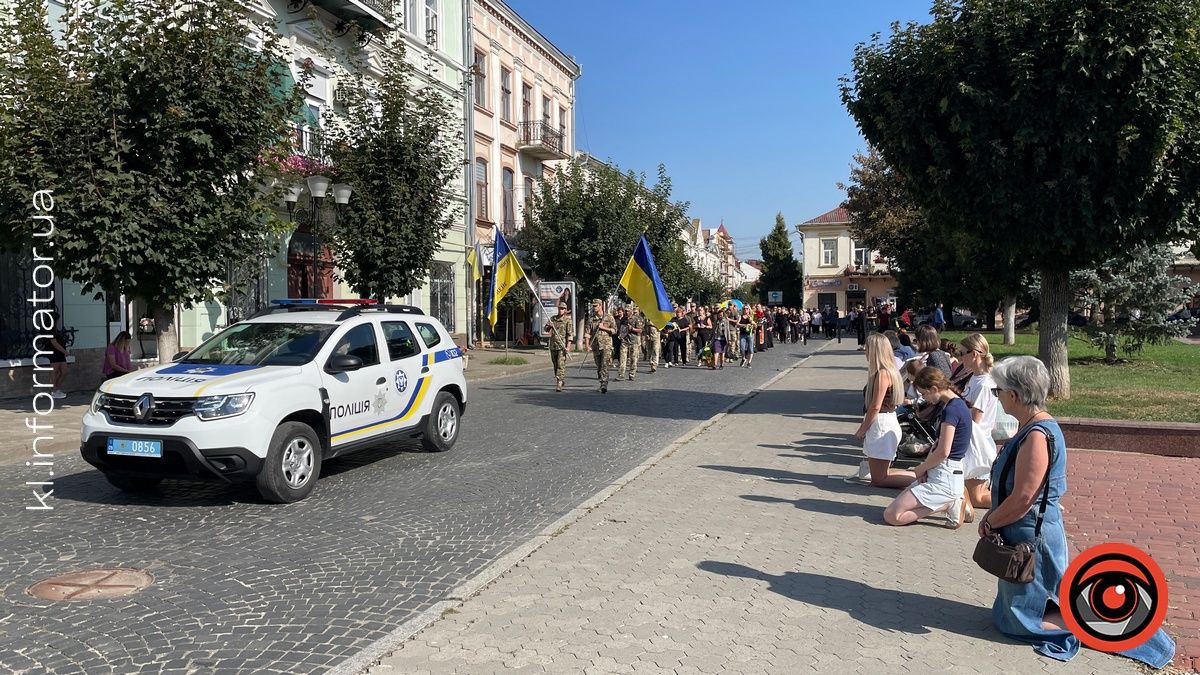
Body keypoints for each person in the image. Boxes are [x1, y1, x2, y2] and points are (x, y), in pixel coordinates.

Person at [981, 356, 1175, 666]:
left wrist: (991, 520)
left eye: (998, 391)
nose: (997, 397)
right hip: (1028, 533)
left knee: (1023, 619)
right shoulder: (1033, 428)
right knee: (1026, 608)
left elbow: (1024, 497)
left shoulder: (1037, 435)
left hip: (1032, 536)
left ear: (1014, 395)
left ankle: (1132, 635)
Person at [883, 366, 973, 528]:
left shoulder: (951, 410)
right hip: (944, 472)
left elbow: (943, 451)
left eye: (924, 394)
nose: (924, 398)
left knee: (892, 516)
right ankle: (951, 501)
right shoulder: (957, 405)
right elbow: (940, 446)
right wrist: (926, 468)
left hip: (944, 475)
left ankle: (949, 503)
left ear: (934, 389)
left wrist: (921, 468)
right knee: (892, 513)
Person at [849, 333, 915, 488]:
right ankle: (919, 478)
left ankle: (922, 481)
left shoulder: (883, 374)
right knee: (879, 475)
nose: (865, 351)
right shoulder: (889, 371)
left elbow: (875, 406)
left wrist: (862, 429)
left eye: (867, 348)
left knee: (879, 479)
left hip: (882, 423)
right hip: (885, 421)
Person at [959, 333, 998, 511]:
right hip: (972, 441)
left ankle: (1026, 502)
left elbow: (975, 419)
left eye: (962, 353)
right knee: (970, 494)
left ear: (974, 354)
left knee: (977, 497)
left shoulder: (985, 384)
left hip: (978, 444)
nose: (960, 357)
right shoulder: (975, 378)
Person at [585, 299, 616, 394]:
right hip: (596, 346)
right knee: (599, 366)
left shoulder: (609, 317)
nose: (594, 307)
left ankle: (604, 384)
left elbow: (614, 330)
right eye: (593, 306)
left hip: (606, 345)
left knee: (604, 365)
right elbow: (587, 333)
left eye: (596, 306)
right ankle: (601, 379)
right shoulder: (591, 319)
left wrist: (604, 328)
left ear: (600, 305)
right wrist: (587, 345)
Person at [544, 302, 574, 392]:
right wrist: (549, 326)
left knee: (561, 364)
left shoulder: (567, 320)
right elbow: (545, 329)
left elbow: (570, 334)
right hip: (553, 345)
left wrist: (568, 347)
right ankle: (560, 379)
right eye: (560, 308)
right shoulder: (553, 319)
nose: (561, 310)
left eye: (563, 309)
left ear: (565, 310)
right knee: (555, 364)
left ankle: (559, 382)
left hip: (562, 346)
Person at [45, 311, 70, 399]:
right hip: (54, 353)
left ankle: (56, 389)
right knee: (54, 372)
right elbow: (54, 343)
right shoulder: (49, 330)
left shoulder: (55, 329)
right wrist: (65, 351)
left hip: (60, 353)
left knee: (64, 371)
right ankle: (53, 391)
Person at [617, 306, 644, 381]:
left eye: (628, 311)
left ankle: (632, 374)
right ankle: (621, 374)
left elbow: (640, 330)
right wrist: (620, 334)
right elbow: (621, 328)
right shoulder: (623, 319)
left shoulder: (637, 319)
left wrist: (632, 329)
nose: (626, 312)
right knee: (622, 357)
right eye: (625, 311)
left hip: (633, 340)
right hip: (624, 340)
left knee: (633, 358)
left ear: (631, 311)